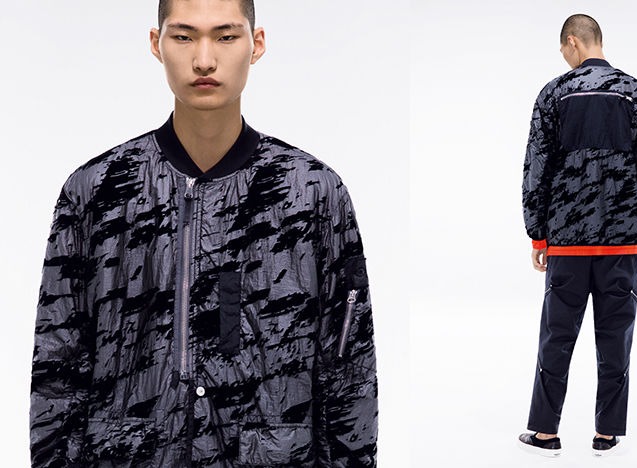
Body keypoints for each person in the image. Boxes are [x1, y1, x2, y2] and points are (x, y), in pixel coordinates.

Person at [29, 1, 378, 466]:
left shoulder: (312, 192)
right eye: (184, 36)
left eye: (226, 36)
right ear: (156, 44)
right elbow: (57, 371)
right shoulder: (97, 191)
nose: (204, 59)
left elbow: (349, 371)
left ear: (256, 44)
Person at [517, 13, 637, 457]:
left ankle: (545, 433)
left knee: (556, 335)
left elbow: (536, 168)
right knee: (616, 334)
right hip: (623, 238)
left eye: (563, 49)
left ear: (572, 42)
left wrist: (537, 234)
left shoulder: (554, 94)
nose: (563, 56)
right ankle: (607, 434)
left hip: (567, 240)